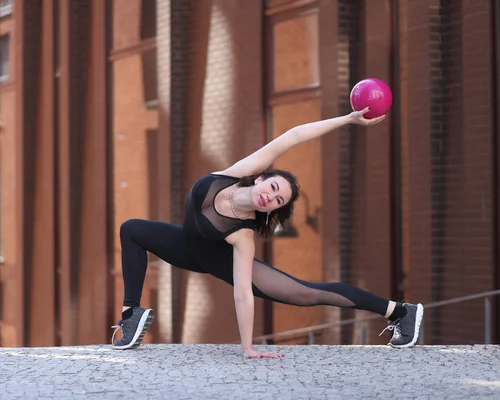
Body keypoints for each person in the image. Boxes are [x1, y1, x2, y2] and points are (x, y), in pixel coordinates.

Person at [111, 108, 424, 358]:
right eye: (273, 188)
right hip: (185, 244)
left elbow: (243, 294)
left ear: (271, 211)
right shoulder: (235, 173)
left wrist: (247, 348)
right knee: (132, 230)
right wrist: (350, 119)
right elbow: (295, 136)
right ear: (261, 178)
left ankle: (399, 311)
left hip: (214, 259)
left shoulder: (242, 235)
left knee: (306, 293)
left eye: (277, 202)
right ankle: (131, 315)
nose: (271, 197)